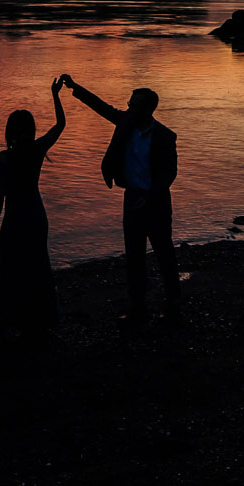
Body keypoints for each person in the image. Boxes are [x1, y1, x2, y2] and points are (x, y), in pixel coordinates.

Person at [61, 73, 180, 325]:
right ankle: (138, 306)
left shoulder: (165, 137)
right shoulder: (125, 122)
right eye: (129, 104)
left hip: (155, 203)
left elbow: (170, 174)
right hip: (132, 200)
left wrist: (149, 197)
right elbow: (100, 106)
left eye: (134, 105)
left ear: (148, 109)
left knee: (164, 254)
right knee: (134, 256)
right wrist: (75, 87)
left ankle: (174, 303)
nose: (129, 108)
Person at [0, 76, 67, 340]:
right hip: (36, 215)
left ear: (10, 131)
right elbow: (61, 124)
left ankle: (3, 320)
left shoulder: (3, 158)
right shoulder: (38, 149)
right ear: (30, 129)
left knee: (8, 269)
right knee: (37, 266)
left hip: (16, 218)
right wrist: (55, 95)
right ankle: (40, 318)